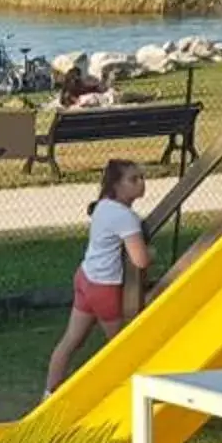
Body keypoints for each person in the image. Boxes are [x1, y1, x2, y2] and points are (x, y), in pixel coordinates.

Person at [46, 159, 150, 394]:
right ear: (116, 185)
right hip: (104, 288)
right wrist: (150, 252)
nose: (141, 183)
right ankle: (124, 393)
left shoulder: (103, 205)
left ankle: (48, 394)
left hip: (85, 278)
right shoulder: (126, 217)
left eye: (142, 177)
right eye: (133, 179)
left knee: (70, 341)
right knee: (122, 348)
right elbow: (140, 260)